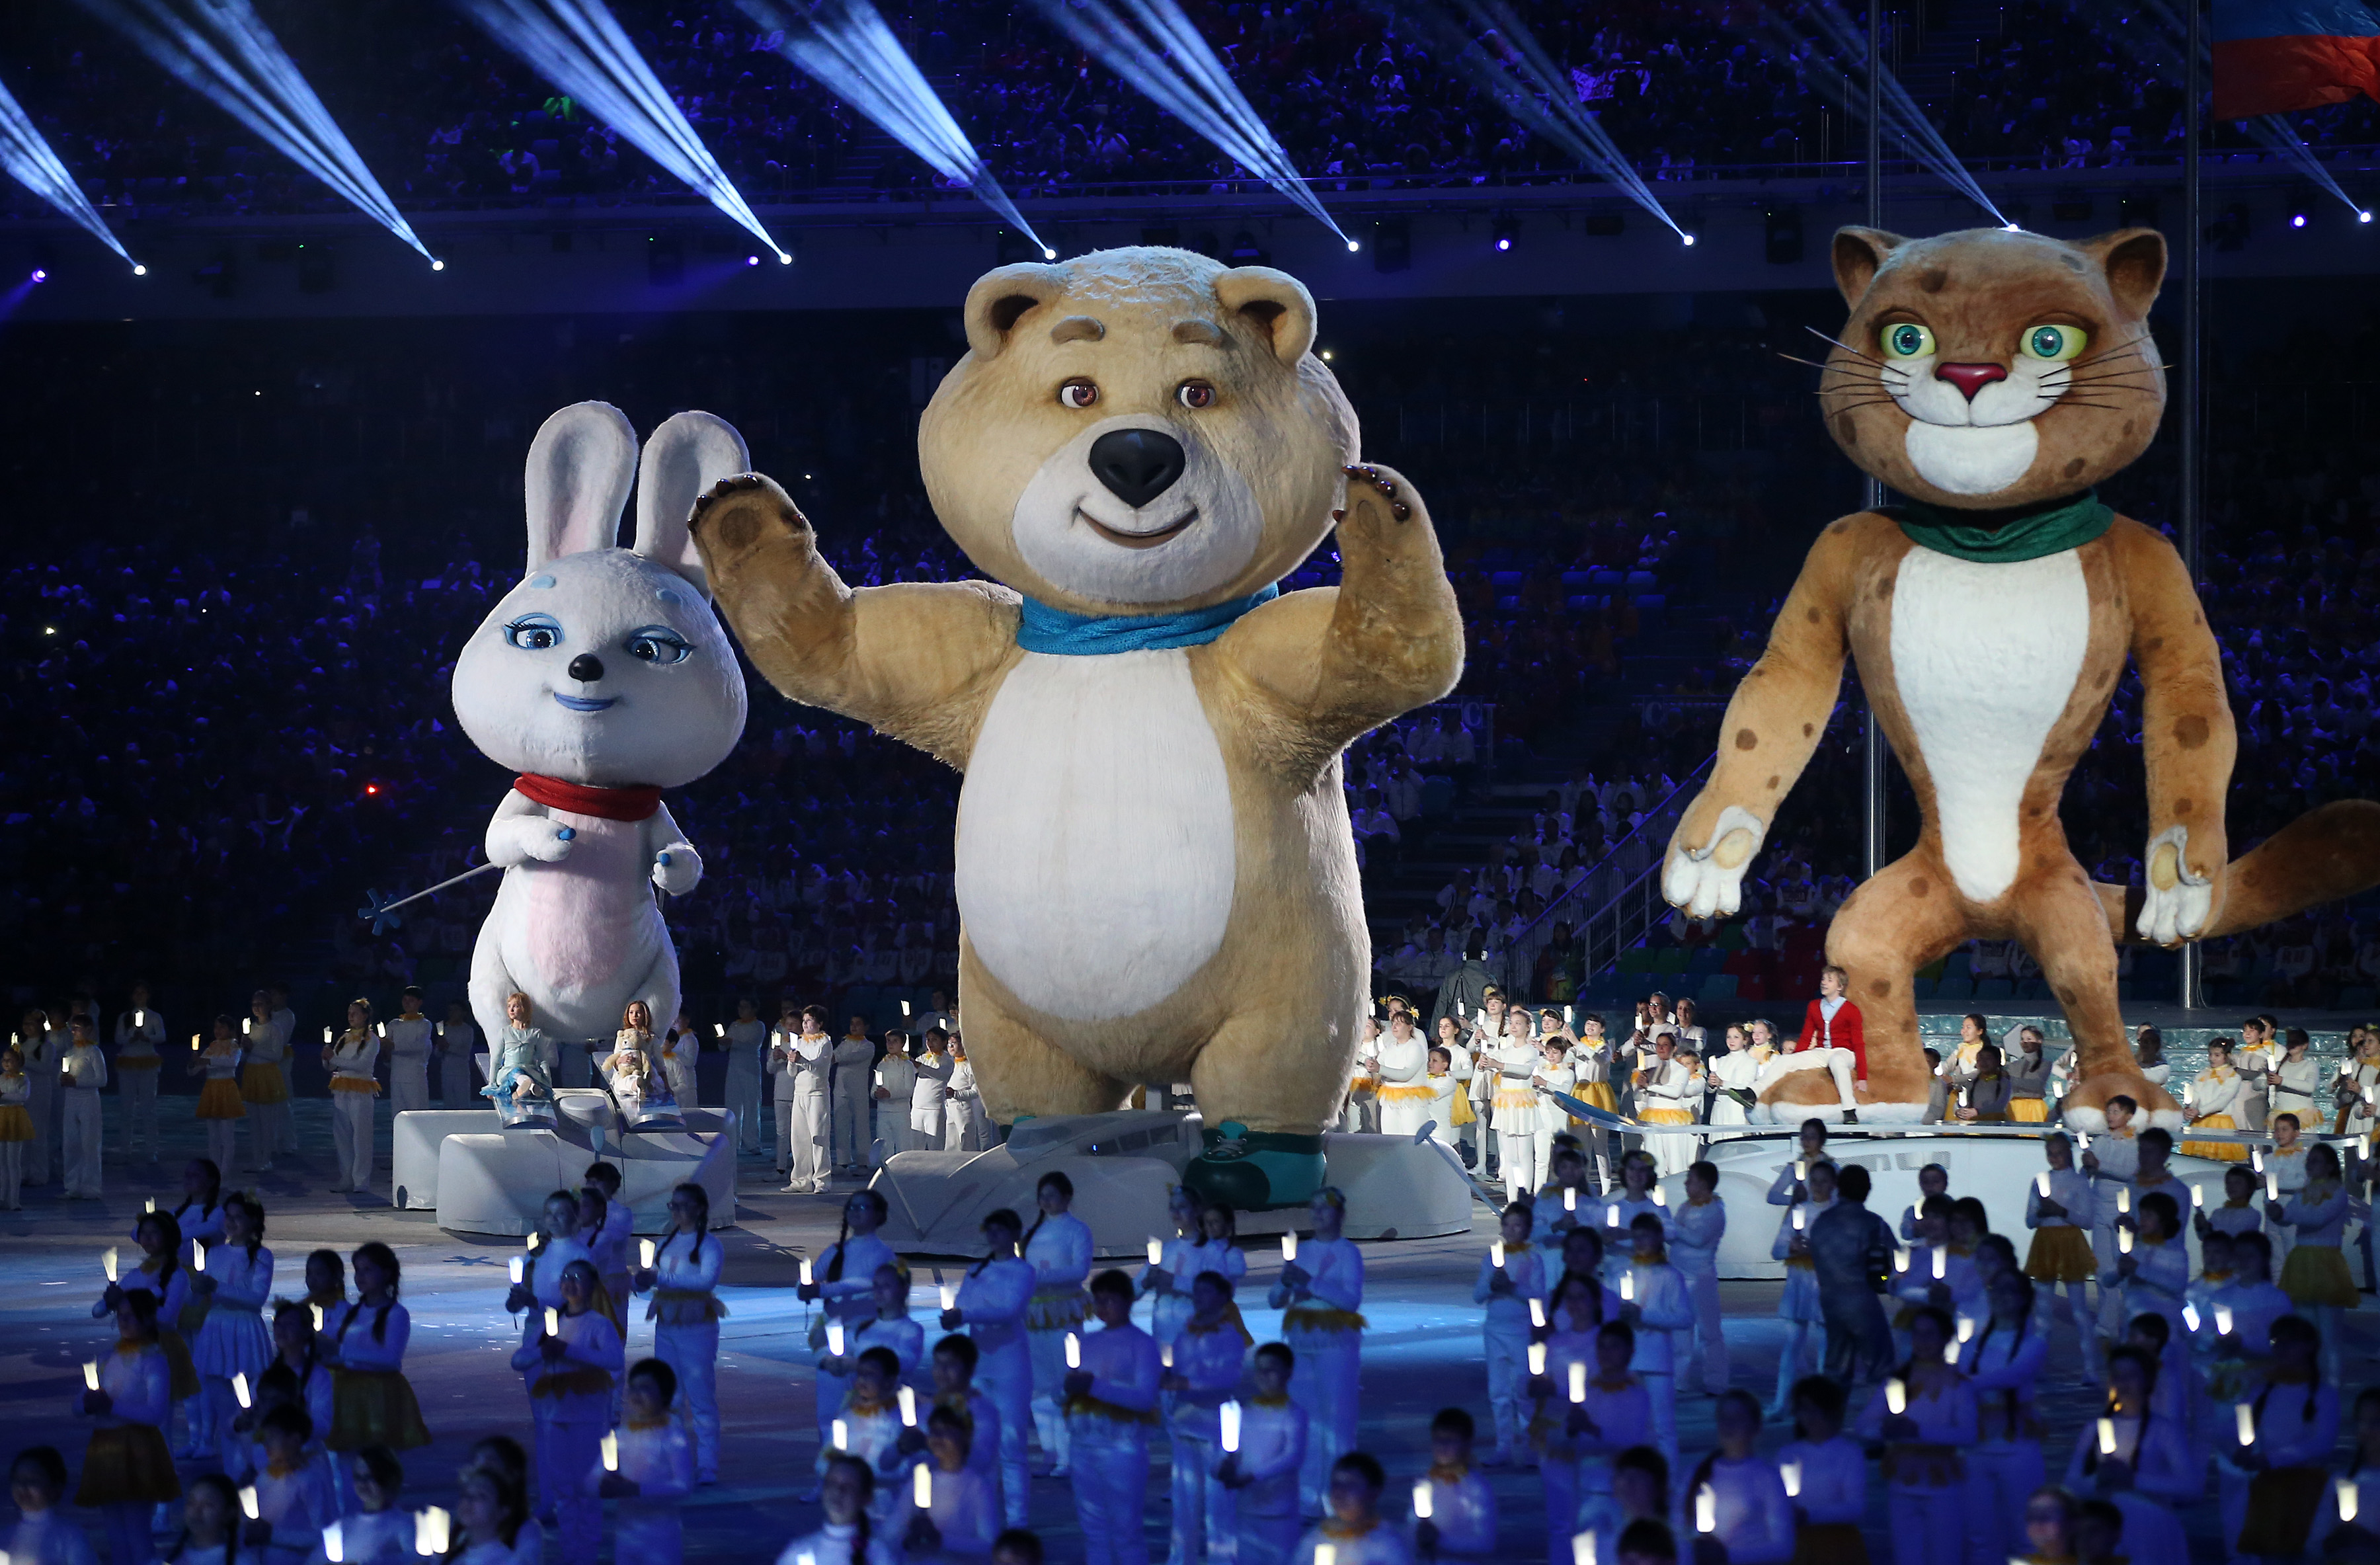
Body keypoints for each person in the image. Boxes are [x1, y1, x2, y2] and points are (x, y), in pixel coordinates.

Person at [511, 1256, 621, 1559]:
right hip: (555, 1413)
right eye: (565, 1278)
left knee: (586, 1483)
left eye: (577, 1278)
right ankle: (571, 1546)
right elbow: (518, 1360)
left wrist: (569, 1350)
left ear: (591, 1287)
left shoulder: (599, 1324)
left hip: (586, 1413)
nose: (570, 1283)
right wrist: (540, 1350)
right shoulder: (552, 1321)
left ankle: (587, 1546)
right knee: (563, 1482)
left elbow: (615, 1360)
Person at [1854, 1307, 1977, 1565]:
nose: (1923, 1341)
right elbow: (1863, 1424)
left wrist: (1919, 1432)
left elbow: (1968, 1433)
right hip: (1903, 1482)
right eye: (1918, 1334)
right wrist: (1883, 1431)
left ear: (1945, 1338)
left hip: (1944, 1485)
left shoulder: (1959, 1383)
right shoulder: (1898, 1381)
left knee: (1945, 1556)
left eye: (1930, 1334)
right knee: (1907, 1556)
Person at [1272, 1187, 1366, 1516]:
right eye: (1313, 1209)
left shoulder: (1348, 1253)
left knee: (1337, 1420)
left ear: (1340, 1214)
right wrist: (1285, 1285)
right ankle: (1309, 1493)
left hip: (1335, 1343)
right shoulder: (1301, 1252)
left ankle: (1338, 1495)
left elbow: (1350, 1300)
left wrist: (1309, 1282)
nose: (1317, 1215)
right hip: (1302, 1342)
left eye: (1324, 1209)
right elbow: (1275, 1299)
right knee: (1307, 1418)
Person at [943, 1208, 1036, 1527]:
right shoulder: (976, 1270)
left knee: (1011, 1445)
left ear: (1015, 1235)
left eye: (1000, 1230)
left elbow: (1009, 1311)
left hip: (1011, 1366)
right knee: (980, 1445)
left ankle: (1018, 1521)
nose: (993, 1236)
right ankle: (984, 1518)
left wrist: (964, 1316)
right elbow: (964, 1304)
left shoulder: (1023, 1272)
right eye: (990, 1230)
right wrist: (954, 1316)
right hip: (980, 1365)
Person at [1063, 1269, 1163, 1565]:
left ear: (1129, 1300)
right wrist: (1068, 1390)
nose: (1103, 1307)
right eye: (1099, 1300)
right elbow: (1071, 1389)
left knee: (1125, 1529)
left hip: (1122, 1447)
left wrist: (1094, 1386)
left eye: (1111, 1300)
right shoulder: (1088, 1342)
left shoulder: (1142, 1345)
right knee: (1093, 1529)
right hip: (1084, 1445)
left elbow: (1145, 1399)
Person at [2059, 1348, 2195, 1564]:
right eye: (2118, 1376)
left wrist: (2133, 1480)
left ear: (2147, 1380)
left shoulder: (2163, 1430)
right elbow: (2069, 1484)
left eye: (2131, 1376)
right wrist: (2098, 1480)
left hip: (2150, 1527)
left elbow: (2190, 1486)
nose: (2124, 1383)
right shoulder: (2094, 1429)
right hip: (2105, 1529)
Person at [79, 1290, 182, 1565]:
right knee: (114, 1532)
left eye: (132, 1317)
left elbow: (155, 1413)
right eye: (121, 1316)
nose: (124, 1321)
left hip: (138, 1451)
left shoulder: (154, 1360)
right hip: (106, 1450)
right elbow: (80, 1404)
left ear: (148, 1320)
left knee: (137, 1532)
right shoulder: (106, 1356)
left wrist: (110, 1406)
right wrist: (88, 1404)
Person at [633, 1183, 725, 1484]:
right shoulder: (665, 1243)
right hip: (667, 1325)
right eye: (673, 1205)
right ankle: (673, 1457)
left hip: (697, 1326)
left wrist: (662, 1277)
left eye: (683, 1205)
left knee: (700, 1396)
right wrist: (641, 1282)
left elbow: (706, 1282)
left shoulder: (710, 1245)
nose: (677, 1211)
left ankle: (708, 1463)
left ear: (699, 1209)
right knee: (669, 1394)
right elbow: (653, 1281)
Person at [1164, 1271, 1252, 1565]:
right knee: (1185, 1502)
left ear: (1223, 1297)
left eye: (1206, 1291)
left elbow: (1229, 1377)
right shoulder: (1185, 1333)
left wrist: (1187, 1384)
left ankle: (1223, 1559)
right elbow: (1175, 1370)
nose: (1198, 1296)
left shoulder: (1229, 1336)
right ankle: (1180, 1558)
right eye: (1196, 1290)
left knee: (1219, 1504)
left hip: (1215, 1427)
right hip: (1184, 1422)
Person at [1962, 1272, 2050, 1565]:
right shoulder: (1972, 1342)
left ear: (2024, 1298)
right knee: (1980, 1536)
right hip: (1977, 1447)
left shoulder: (2034, 1343)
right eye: (1995, 1290)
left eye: (2010, 1291)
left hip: (2017, 1448)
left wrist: (1966, 1383)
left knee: (2027, 1535)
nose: (2001, 1297)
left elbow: (2014, 1375)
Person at [321, 1243, 431, 1462]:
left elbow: (391, 1359)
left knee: (379, 1458)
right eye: (357, 1270)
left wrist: (341, 1351)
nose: (360, 1276)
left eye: (368, 1269)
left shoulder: (396, 1314)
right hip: (348, 1392)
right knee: (347, 1459)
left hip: (380, 1395)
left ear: (387, 1274)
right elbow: (332, 1347)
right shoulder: (351, 1312)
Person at [190, 1193, 275, 1472]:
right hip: (216, 1332)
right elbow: (199, 1300)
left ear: (253, 1222)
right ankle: (233, 1476)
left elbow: (256, 1299)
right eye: (228, 1216)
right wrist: (196, 1289)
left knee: (248, 1414)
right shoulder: (214, 1253)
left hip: (245, 1332)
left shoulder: (262, 1255)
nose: (231, 1222)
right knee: (226, 1415)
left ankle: (255, 1472)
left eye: (238, 1217)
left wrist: (216, 1288)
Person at [1021, 1172, 1093, 1476]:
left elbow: (1080, 1269)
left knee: (1064, 1381)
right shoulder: (1031, 1231)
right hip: (1035, 1315)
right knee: (1038, 1385)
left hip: (1063, 1311)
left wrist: (1042, 1278)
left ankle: (1068, 1454)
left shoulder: (1078, 1230)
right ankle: (1049, 1451)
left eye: (1053, 1195)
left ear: (1066, 1198)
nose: (1047, 1201)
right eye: (1043, 1196)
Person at [2269, 1143, 2357, 1380]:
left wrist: (2289, 1215)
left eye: (2316, 1161)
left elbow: (2317, 1217)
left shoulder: (2338, 1192)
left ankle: (2332, 1383)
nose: (2310, 1165)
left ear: (2329, 1166)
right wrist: (2279, 1214)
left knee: (2329, 1333)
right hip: (2302, 1260)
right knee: (2305, 1329)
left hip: (2326, 1262)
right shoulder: (2304, 1192)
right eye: (2309, 1161)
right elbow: (2290, 1216)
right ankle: (2309, 1379)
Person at [1218, 1343, 1308, 1565]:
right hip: (1247, 1510)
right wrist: (1222, 1467)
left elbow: (1292, 1457)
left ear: (1288, 1373)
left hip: (1280, 1513)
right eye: (1260, 1370)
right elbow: (1227, 1450)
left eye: (1272, 1370)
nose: (1264, 1376)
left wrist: (1252, 1476)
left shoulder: (1293, 1414)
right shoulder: (1244, 1412)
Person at [2022, 1134, 2102, 1381]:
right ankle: (2039, 1364)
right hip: (2045, 1242)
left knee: (2079, 1309)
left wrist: (2061, 1211)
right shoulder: (2039, 1181)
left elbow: (2087, 1221)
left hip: (2069, 1243)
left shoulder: (2078, 1183)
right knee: (2043, 1311)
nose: (2054, 1158)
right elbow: (2029, 1221)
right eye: (2051, 1153)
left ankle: (2090, 1368)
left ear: (2068, 1153)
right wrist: (2041, 1213)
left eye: (2058, 1153)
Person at [1683, 1390, 1794, 1564]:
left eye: (1738, 1418)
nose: (1729, 1425)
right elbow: (1677, 1532)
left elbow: (1784, 1547)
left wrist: (1726, 1556)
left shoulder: (1768, 1478)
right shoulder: (1695, 1474)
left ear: (1756, 1427)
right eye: (1724, 1418)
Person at [1810, 1163, 1896, 1386]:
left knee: (1836, 1368)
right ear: (1867, 1189)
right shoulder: (1873, 1223)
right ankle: (1882, 1416)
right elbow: (1891, 1264)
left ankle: (1830, 1418)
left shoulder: (1821, 1222)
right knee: (1881, 1365)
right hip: (1863, 1300)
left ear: (1839, 1187)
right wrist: (1886, 1281)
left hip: (1830, 1300)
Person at [1474, 1201, 1545, 1466]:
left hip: (1521, 1332)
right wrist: (1492, 1284)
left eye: (1519, 1225)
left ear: (1527, 1229)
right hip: (1494, 1332)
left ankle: (1530, 1446)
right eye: (1508, 1225)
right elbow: (1478, 1295)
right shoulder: (1492, 1260)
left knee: (1524, 1390)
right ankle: (1503, 1447)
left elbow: (1538, 1295)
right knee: (1498, 1392)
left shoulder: (1533, 1258)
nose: (1513, 1230)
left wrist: (1513, 1287)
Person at [1754, 965, 1867, 1121]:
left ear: (1840, 987)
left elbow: (1858, 1043)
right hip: (1822, 1052)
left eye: (1830, 980)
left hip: (1844, 1052)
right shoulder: (1814, 1006)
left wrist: (1862, 1077)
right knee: (1786, 1059)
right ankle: (1753, 1092)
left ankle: (1849, 1109)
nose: (1824, 983)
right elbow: (1806, 1038)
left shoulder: (1851, 1010)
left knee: (1837, 1061)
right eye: (1823, 979)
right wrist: (1797, 1059)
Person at [1767, 1157, 1833, 1417]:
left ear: (1833, 1184)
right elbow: (1776, 1250)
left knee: (1825, 1349)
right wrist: (1791, 1248)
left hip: (1824, 1285)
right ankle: (1782, 1402)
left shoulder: (1835, 1213)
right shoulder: (1799, 1210)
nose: (1817, 1186)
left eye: (1823, 1182)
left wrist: (1816, 1250)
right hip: (1799, 1283)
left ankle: (1823, 1404)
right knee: (1792, 1345)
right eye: (1814, 1181)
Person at [1775, 1376, 1866, 1565]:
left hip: (1838, 1545)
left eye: (1814, 1409)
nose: (1808, 1417)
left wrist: (1810, 1515)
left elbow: (1855, 1508)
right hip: (1797, 1544)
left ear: (1831, 1411)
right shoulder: (1788, 1454)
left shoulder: (1849, 1453)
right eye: (1803, 1409)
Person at [903, 1408, 1003, 1558]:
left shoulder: (977, 1486)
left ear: (964, 1437)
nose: (938, 1437)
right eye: (934, 1431)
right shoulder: (920, 1480)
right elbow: (891, 1532)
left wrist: (941, 1540)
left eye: (947, 1431)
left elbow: (990, 1544)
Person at [778, 1453, 902, 1565]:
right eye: (832, 1483)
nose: (838, 1492)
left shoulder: (879, 1554)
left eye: (848, 1486)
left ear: (865, 1497)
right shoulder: (799, 1552)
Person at [1294, 1452, 1413, 1565]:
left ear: (1373, 1492)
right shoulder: (1314, 1540)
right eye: (1336, 1484)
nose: (1340, 1492)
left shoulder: (1386, 1545)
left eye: (1351, 1485)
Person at [1407, 1408, 1495, 1560]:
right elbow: (1410, 1531)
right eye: (1438, 1440)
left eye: (1450, 1441)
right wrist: (1417, 1535)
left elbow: (1485, 1542)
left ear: (1466, 1445)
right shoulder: (1426, 1485)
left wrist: (1440, 1541)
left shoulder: (1477, 1488)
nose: (1443, 1446)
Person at [1671, 1160, 1727, 1398]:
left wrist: (1670, 1229)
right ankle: (1678, 1379)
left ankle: (1716, 1381)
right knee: (1681, 1331)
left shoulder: (1715, 1210)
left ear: (1704, 1183)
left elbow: (1698, 1239)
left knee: (1709, 1332)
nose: (1686, 1183)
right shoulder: (1686, 1207)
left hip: (1701, 1279)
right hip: (1681, 1277)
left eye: (1691, 1179)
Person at [774, 1004, 833, 1193]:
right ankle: (800, 1180)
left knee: (819, 1139)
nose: (805, 1024)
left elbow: (820, 1069)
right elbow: (792, 1073)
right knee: (798, 1139)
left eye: (809, 1020)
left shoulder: (825, 1043)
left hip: (817, 1094)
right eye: (804, 1021)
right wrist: (791, 1061)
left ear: (820, 1023)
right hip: (799, 1093)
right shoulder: (800, 1042)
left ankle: (822, 1181)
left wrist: (801, 1061)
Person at [323, 1001, 380, 1193]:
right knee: (342, 1135)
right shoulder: (344, 1038)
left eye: (355, 1013)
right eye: (349, 1012)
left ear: (365, 1015)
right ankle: (346, 1177)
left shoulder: (372, 1039)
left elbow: (362, 1065)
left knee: (361, 1136)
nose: (351, 1016)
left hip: (361, 1089)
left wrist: (334, 1059)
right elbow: (331, 1066)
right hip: (342, 1089)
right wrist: (327, 1059)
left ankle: (361, 1180)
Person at [8, 1445, 97, 1565]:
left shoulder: (70, 1536)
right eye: (18, 1480)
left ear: (55, 1487)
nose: (23, 1487)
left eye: (32, 1480)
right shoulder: (5, 1535)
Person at [1632, 1034, 1699, 1180]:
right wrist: (1640, 1087)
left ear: (1674, 1048)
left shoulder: (1681, 1070)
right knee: (1654, 1161)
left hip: (1672, 1119)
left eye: (1665, 1045)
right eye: (1658, 1045)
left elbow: (1676, 1093)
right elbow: (1638, 1096)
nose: (1661, 1048)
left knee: (1675, 1162)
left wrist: (1650, 1086)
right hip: (1652, 1118)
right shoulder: (1652, 1070)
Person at [482, 992, 556, 1125]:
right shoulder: (505, 1032)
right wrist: (491, 1083)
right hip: (509, 1073)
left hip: (529, 1069)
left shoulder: (535, 1033)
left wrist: (548, 1081)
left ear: (524, 1009)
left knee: (525, 1077)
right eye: (509, 1006)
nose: (511, 1009)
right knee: (518, 1072)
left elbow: (543, 1060)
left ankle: (525, 1090)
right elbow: (496, 1059)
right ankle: (529, 1086)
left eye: (515, 1006)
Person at [188, 1017, 245, 1185]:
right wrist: (193, 1062)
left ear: (230, 1030)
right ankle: (214, 1170)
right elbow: (194, 1071)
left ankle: (224, 1172)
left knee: (227, 1136)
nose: (218, 1030)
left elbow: (231, 1063)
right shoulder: (211, 1048)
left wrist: (207, 1061)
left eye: (222, 1027)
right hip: (211, 1090)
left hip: (226, 1089)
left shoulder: (235, 1047)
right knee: (213, 1136)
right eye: (216, 1027)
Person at [112, 987, 165, 1165]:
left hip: (148, 1063)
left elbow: (162, 1036)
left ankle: (152, 1150)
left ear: (148, 995)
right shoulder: (125, 1017)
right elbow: (118, 1038)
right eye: (137, 993)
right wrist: (131, 1038)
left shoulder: (155, 1016)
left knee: (148, 1108)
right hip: (127, 1063)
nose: (140, 996)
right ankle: (126, 1149)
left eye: (143, 993)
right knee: (126, 1109)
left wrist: (147, 1037)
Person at [244, 990, 296, 1169]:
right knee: (254, 1121)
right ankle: (257, 1158)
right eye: (254, 1004)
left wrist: (253, 1048)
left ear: (268, 1006)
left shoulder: (275, 1028)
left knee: (266, 1120)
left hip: (267, 1075)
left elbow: (276, 1055)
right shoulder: (251, 1027)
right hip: (252, 1073)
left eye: (260, 1004)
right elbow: (246, 1054)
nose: (256, 1008)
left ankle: (266, 1159)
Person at [1370, 1011, 1436, 1139]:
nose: (1394, 1027)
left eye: (1399, 1024)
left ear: (1410, 1027)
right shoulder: (1389, 1048)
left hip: (1410, 1101)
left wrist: (1379, 1068)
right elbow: (1377, 1067)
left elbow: (1406, 1074)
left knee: (1411, 1140)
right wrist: (1370, 1064)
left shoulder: (1416, 1048)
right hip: (1390, 1099)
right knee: (1390, 1140)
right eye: (1393, 1023)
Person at [2180, 1039, 2248, 1160]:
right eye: (2210, 1054)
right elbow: (2196, 1096)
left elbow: (2222, 1101)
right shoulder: (2202, 1075)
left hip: (2221, 1123)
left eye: (2217, 1055)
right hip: (2200, 1122)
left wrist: (2199, 1111)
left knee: (2220, 1159)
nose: (2212, 1058)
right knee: (2198, 1159)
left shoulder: (2233, 1077)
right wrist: (2191, 1109)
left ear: (2227, 1056)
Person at [831, 1016, 876, 1175]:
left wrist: (832, 1058)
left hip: (858, 1092)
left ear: (866, 1027)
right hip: (841, 1091)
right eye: (852, 1023)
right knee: (841, 1126)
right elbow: (834, 1056)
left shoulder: (868, 1046)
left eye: (858, 1024)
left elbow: (849, 1057)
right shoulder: (844, 1043)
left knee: (861, 1127)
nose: (854, 1027)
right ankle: (842, 1162)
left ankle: (863, 1163)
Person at [721, 998, 766, 1155]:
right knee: (733, 1105)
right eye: (740, 1006)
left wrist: (731, 1042)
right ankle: (733, 1142)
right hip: (734, 1069)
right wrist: (723, 1042)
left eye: (745, 1007)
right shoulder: (735, 1025)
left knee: (752, 1106)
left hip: (750, 1070)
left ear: (754, 1009)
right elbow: (722, 1047)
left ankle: (752, 1142)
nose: (741, 1009)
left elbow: (751, 1044)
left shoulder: (758, 1026)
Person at [385, 987, 434, 1119]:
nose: (407, 1003)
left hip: (415, 1077)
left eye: (411, 1001)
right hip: (396, 1077)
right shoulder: (394, 1024)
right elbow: (386, 1050)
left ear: (419, 1002)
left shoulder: (424, 1024)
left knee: (418, 1115)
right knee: (398, 1116)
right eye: (405, 1000)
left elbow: (417, 1047)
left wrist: (392, 1045)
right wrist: (385, 1049)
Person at [874, 1033, 918, 1158]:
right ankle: (886, 1172)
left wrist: (890, 1094)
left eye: (895, 1041)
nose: (891, 1044)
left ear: (902, 1044)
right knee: (884, 1146)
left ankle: (904, 1172)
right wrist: (876, 1093)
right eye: (888, 1041)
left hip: (900, 1112)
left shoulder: (907, 1065)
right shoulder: (882, 1064)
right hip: (883, 1112)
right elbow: (874, 1088)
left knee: (903, 1145)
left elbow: (909, 1090)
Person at [912, 1028, 957, 1151]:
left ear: (944, 1042)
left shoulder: (948, 1060)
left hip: (934, 1108)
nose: (930, 1043)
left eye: (935, 1040)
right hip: (917, 1107)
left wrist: (918, 1066)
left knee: (935, 1145)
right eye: (929, 1040)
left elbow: (940, 1074)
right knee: (915, 1145)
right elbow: (912, 1070)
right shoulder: (924, 1057)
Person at [0, 1045, 30, 1209]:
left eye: (10, 1061)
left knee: (13, 1161)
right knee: (1, 1161)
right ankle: (2, 1196)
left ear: (19, 1063)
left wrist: (4, 1096)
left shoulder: (23, 1078)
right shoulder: (1, 1078)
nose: (6, 1064)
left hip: (15, 1118)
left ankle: (14, 1199)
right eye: (4, 1060)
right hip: (1, 1117)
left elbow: (23, 1096)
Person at [439, 1001, 481, 1110]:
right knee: (449, 1103)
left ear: (463, 1013)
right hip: (447, 1071)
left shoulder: (467, 1030)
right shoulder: (445, 1029)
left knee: (463, 1102)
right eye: (451, 1010)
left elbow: (465, 1051)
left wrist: (448, 1047)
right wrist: (440, 1046)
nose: (452, 1013)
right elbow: (438, 1053)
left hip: (461, 1072)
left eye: (456, 1010)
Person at [2004, 1027, 2050, 1123]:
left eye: (2029, 1039)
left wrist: (2010, 1079)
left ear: (2039, 1041)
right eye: (2022, 1039)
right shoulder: (2013, 1066)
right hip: (2015, 1107)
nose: (2025, 1042)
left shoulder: (2045, 1064)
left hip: (2035, 1107)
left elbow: (2037, 1085)